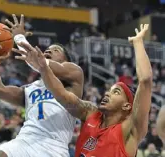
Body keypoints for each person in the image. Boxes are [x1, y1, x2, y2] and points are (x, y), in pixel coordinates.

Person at [24, 24, 152, 157]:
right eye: (109, 90)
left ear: (126, 106)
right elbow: (62, 95)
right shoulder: (91, 113)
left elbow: (145, 80)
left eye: (116, 92)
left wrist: (137, 43)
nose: (107, 93)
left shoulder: (130, 129)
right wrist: (44, 68)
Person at [0, 14, 84, 157]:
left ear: (66, 60)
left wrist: (19, 37)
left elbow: (39, 61)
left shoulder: (74, 73)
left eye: (56, 50)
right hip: (25, 140)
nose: (48, 51)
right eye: (47, 49)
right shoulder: (30, 88)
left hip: (54, 145)